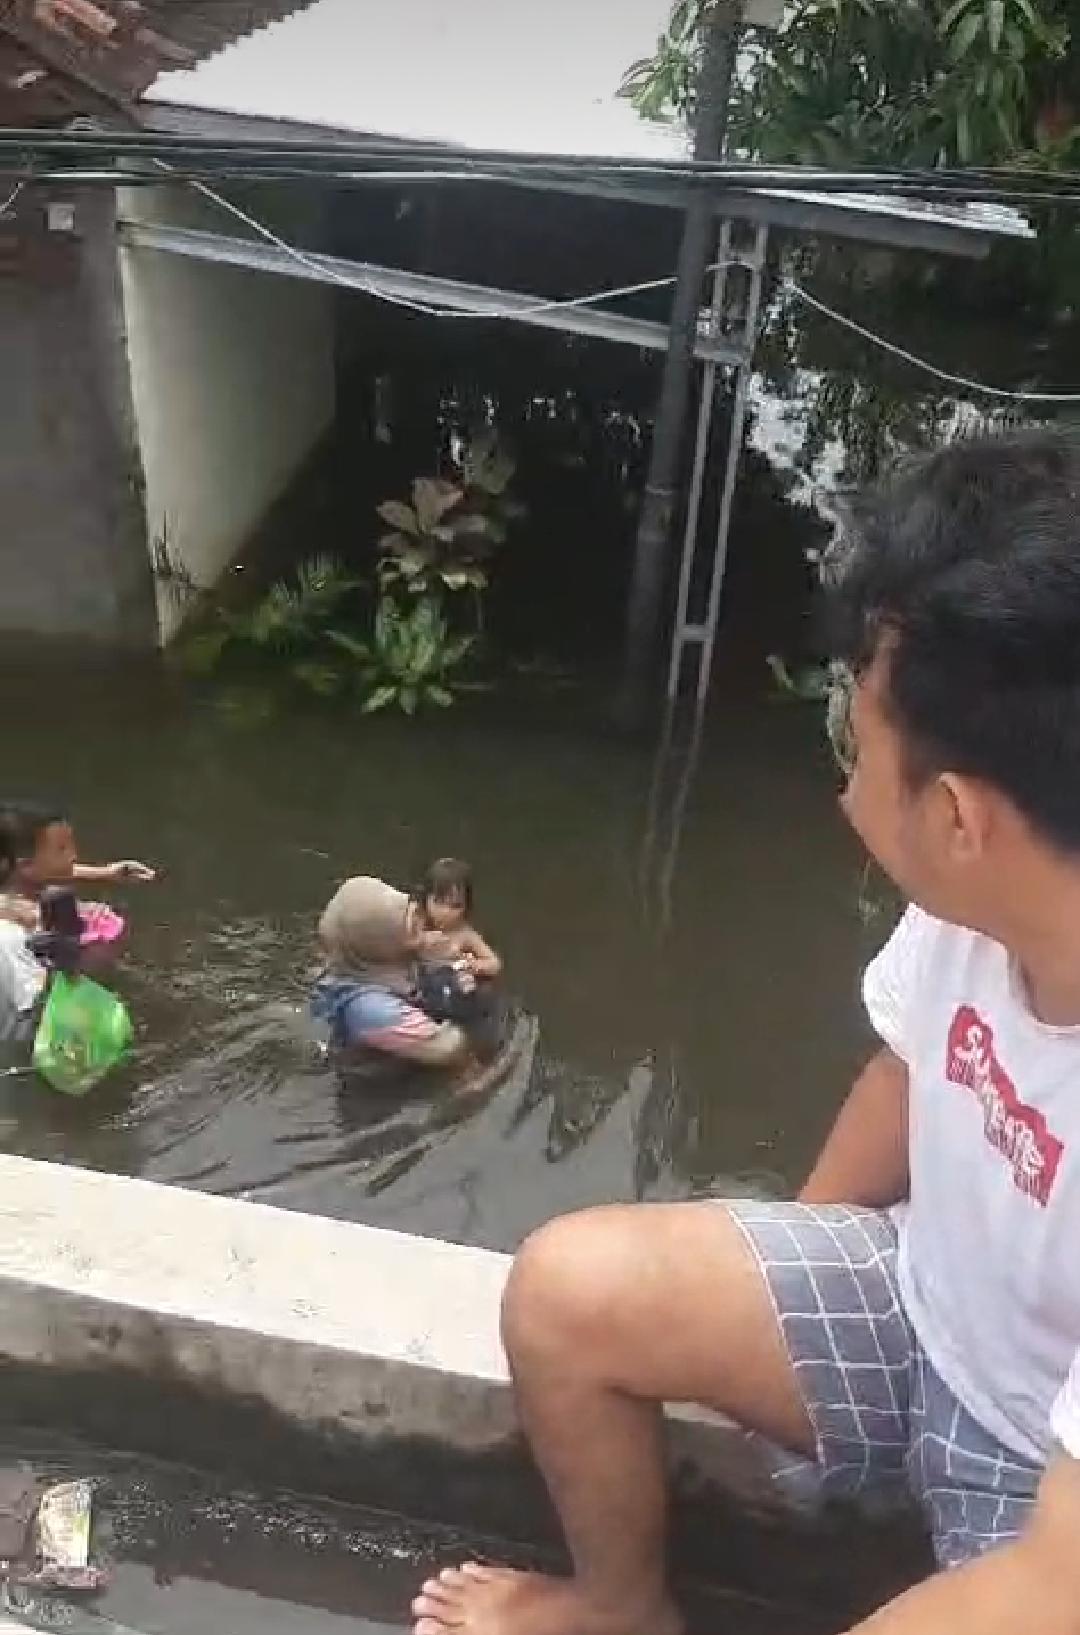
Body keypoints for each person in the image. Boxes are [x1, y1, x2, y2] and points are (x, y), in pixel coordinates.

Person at [411, 430, 1080, 1635]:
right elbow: (908, 1069)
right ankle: (622, 1606)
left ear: (959, 815)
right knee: (572, 1291)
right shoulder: (992, 898)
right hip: (927, 1307)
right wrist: (790, 1271)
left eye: (854, 744)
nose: (841, 786)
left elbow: (1055, 1583)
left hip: (1051, 1487)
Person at [311, 875, 471, 1073]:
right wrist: (444, 970)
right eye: (410, 925)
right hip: (373, 1084)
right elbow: (450, 1048)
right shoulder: (372, 1011)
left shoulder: (361, 960)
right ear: (371, 941)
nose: (420, 921)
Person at [0, 803, 157, 898]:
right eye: (61, 849)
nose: (73, 856)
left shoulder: (20, 875)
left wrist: (109, 873)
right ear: (25, 865)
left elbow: (49, 870)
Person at [412, 859, 502, 979]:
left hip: (446, 987)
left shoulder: (464, 933)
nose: (446, 912)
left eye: (456, 906)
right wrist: (421, 941)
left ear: (466, 906)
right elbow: (395, 943)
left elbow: (494, 964)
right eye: (439, 902)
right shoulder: (417, 919)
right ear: (426, 898)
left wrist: (472, 965)